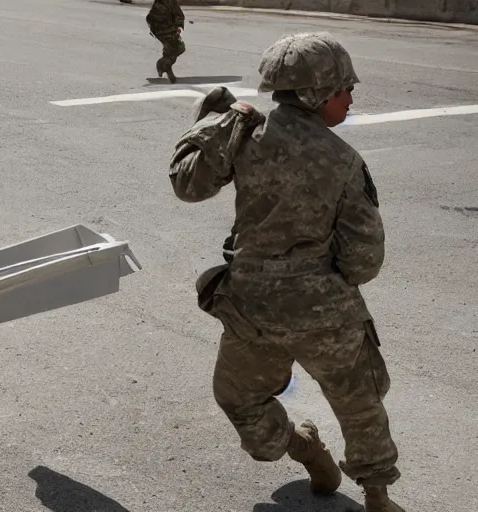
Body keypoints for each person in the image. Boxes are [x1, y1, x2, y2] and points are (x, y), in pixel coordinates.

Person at [167, 32, 404, 512]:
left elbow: (188, 183)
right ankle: (376, 496)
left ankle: (307, 451)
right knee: (359, 405)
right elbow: (364, 261)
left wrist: (220, 122)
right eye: (344, 89)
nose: (351, 98)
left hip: (252, 308)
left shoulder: (243, 134)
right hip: (326, 313)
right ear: (319, 94)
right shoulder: (343, 160)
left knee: (241, 400)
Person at [144, 0, 186, 83]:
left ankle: (165, 67)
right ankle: (162, 65)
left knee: (172, 48)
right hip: (164, 29)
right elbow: (177, 14)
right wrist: (178, 25)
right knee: (178, 47)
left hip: (164, 28)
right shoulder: (166, 2)